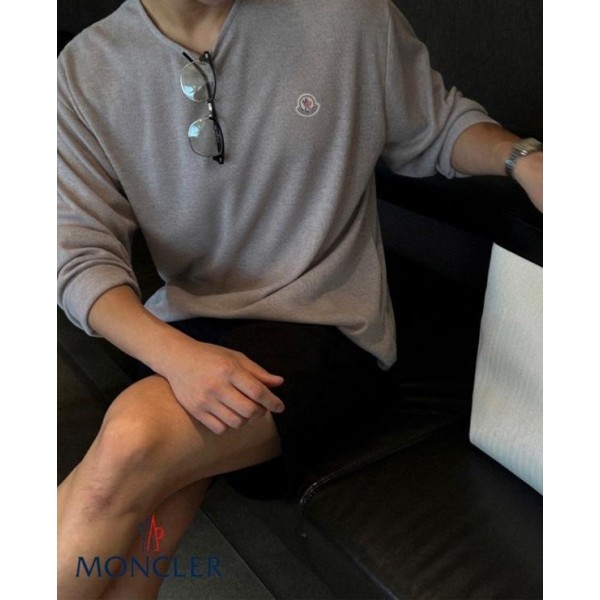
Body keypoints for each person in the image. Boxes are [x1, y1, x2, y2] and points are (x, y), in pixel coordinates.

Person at [57, 0, 543, 597]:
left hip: (328, 328)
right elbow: (76, 254)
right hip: (188, 331)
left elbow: (437, 126)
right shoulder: (85, 70)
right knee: (152, 503)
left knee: (133, 441)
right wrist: (176, 356)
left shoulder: (348, 17)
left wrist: (524, 160)